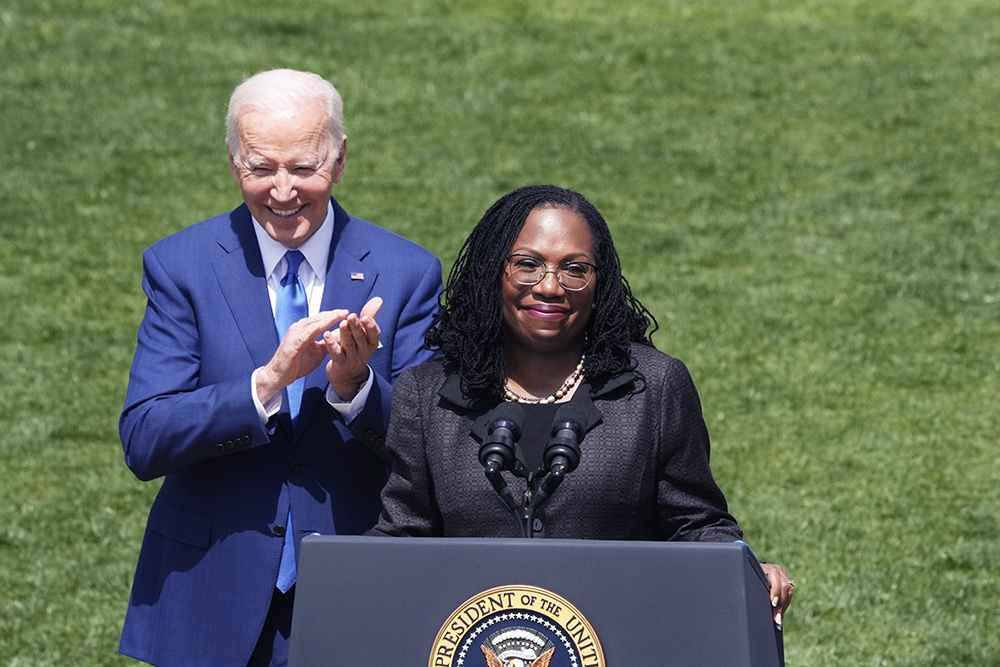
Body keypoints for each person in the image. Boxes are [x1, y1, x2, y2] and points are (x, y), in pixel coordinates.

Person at [118, 69, 442, 666]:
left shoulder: (407, 272)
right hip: (211, 589)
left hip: (357, 590)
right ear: (233, 158)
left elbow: (437, 455)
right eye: (261, 168)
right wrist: (265, 384)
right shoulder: (180, 266)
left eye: (304, 168)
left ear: (340, 159)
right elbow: (144, 438)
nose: (284, 191)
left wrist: (356, 389)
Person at [369, 184, 794, 626]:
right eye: (527, 265)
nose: (551, 287)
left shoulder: (654, 387)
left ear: (599, 282)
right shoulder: (428, 393)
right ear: (492, 272)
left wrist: (745, 570)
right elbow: (404, 535)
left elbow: (695, 523)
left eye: (575, 269)